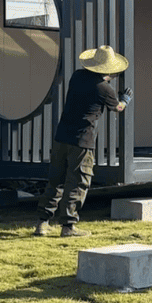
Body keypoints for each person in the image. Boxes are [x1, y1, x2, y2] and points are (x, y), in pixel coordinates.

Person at [35, 46, 132, 238]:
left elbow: (93, 82)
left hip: (62, 136)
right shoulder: (105, 89)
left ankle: (42, 223)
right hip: (83, 140)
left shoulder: (77, 76)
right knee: (78, 181)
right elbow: (118, 108)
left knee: (56, 180)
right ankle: (68, 226)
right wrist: (125, 100)